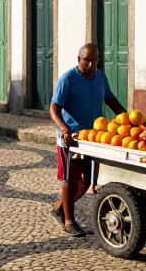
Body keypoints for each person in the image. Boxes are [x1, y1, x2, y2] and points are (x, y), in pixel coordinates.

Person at [49, 42, 126, 236]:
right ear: (79, 60)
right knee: (71, 178)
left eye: (94, 61)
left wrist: (127, 120)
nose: (90, 65)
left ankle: (59, 206)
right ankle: (69, 220)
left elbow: (111, 100)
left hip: (93, 137)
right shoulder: (68, 79)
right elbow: (54, 108)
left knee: (87, 181)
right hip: (72, 138)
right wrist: (64, 129)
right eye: (86, 61)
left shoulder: (100, 77)